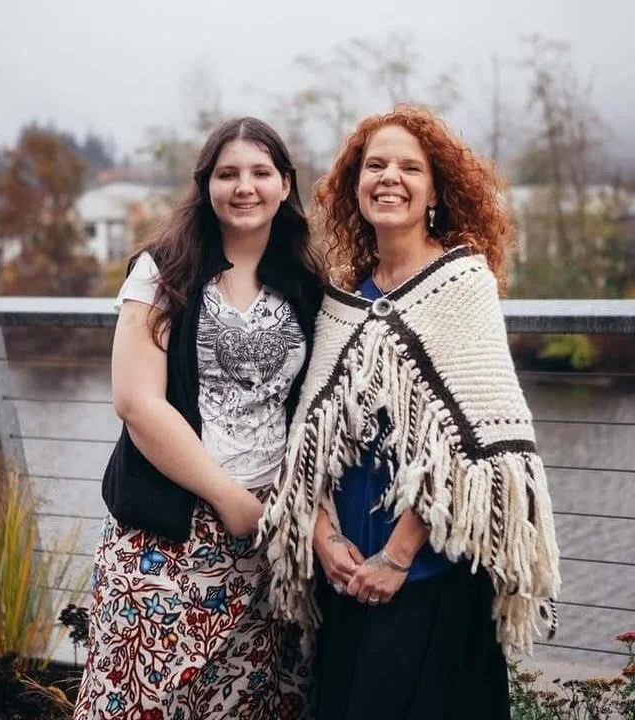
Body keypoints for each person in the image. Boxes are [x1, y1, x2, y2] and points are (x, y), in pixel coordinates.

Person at [261, 105, 561, 719]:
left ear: (434, 191)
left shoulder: (460, 284)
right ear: (356, 185)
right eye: (375, 165)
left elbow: (478, 451)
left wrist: (396, 558)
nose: (389, 177)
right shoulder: (341, 298)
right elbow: (309, 438)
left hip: (428, 578)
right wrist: (322, 538)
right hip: (344, 578)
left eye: (408, 167)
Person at [74, 117, 323, 720]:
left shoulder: (307, 282)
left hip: (270, 544)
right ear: (205, 185)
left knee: (251, 704)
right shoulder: (165, 271)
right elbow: (136, 402)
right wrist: (226, 496)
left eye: (261, 172)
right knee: (139, 701)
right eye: (227, 173)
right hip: (170, 533)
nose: (245, 186)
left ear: (285, 185)